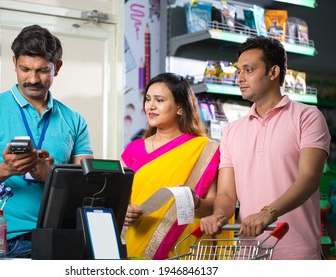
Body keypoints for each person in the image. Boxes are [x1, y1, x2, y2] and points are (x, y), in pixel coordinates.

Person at [0, 25, 93, 258]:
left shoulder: (74, 120)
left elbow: (88, 191)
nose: (32, 79)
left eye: (43, 71)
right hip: (2, 240)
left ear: (58, 67)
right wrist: (7, 169)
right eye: (25, 69)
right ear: (14, 63)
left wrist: (50, 174)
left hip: (59, 239)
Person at [199, 35, 331, 260]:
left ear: (273, 72)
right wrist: (218, 215)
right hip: (248, 252)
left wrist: (268, 213)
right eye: (238, 71)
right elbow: (227, 194)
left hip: (297, 254)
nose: (240, 78)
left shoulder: (307, 117)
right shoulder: (232, 130)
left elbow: (309, 179)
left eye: (248, 70)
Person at [121, 72, 233, 260]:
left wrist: (194, 201)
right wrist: (124, 212)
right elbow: (120, 200)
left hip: (186, 250)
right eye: (148, 99)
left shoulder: (204, 150)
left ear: (180, 107)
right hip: (138, 248)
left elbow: (215, 206)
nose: (151, 106)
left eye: (160, 100)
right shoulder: (133, 150)